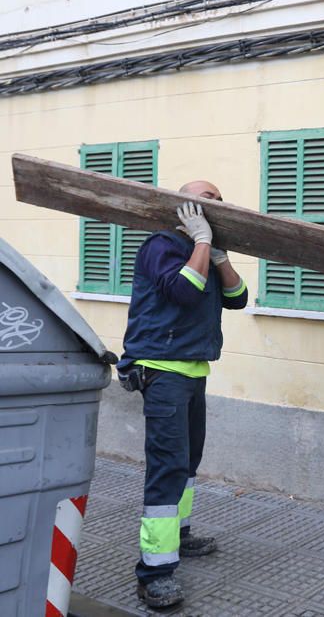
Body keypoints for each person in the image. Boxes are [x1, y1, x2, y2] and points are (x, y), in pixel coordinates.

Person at [116, 181, 248, 608]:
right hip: (162, 370)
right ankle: (154, 572)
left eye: (216, 199)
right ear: (181, 207)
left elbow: (239, 298)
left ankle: (180, 534)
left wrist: (218, 254)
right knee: (168, 467)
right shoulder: (162, 245)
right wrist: (202, 241)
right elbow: (184, 291)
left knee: (188, 461)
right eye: (200, 198)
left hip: (193, 370)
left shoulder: (205, 252)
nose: (209, 204)